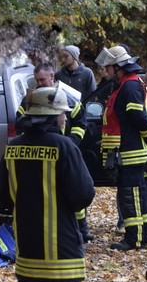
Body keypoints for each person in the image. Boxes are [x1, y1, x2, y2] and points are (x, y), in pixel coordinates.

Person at [0, 86, 95, 282]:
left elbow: (2, 195)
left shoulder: (12, 147)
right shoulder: (64, 146)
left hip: (26, 251)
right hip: (60, 254)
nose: (65, 118)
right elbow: (83, 194)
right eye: (63, 113)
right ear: (53, 116)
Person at [19, 63, 93, 241]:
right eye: (37, 80)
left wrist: (70, 144)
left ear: (52, 77)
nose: (40, 83)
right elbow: (20, 121)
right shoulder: (31, 98)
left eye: (43, 79)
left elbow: (81, 124)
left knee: (72, 187)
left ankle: (81, 229)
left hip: (66, 152)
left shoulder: (69, 97)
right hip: (40, 153)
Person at [97, 44, 147, 250]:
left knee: (131, 196)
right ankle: (141, 236)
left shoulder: (130, 86)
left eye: (109, 67)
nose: (107, 71)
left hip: (131, 152)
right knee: (135, 194)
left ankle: (134, 238)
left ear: (118, 66)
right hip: (127, 151)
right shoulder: (126, 84)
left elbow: (139, 116)